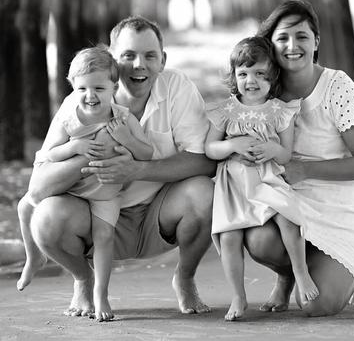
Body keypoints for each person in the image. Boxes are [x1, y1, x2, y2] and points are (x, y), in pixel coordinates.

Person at [26, 16, 216, 319]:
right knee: (45, 219)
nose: (138, 64)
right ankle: (83, 279)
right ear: (111, 59)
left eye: (149, 55)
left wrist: (137, 170)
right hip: (93, 218)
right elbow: (37, 190)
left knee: (206, 194)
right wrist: (87, 152)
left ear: (163, 60)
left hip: (159, 216)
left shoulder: (177, 88)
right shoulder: (83, 100)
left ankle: (185, 277)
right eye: (128, 55)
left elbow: (205, 162)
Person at [244, 0, 354, 316]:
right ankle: (287, 275)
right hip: (291, 207)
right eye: (283, 38)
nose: (293, 46)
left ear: (316, 41)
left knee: (315, 306)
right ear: (271, 44)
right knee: (259, 241)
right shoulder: (265, 91)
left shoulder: (337, 88)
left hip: (343, 208)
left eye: (302, 37)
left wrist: (304, 169)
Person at [17, 46, 154, 321]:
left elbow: (146, 154)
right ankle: (33, 258)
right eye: (82, 89)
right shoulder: (70, 118)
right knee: (25, 206)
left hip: (105, 193)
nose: (90, 96)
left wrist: (127, 139)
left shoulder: (123, 118)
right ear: (72, 88)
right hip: (73, 190)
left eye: (99, 89)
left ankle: (101, 294)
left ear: (114, 87)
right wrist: (75, 147)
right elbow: (50, 155)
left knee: (104, 237)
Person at [205, 36, 318, 321]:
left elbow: (285, 154)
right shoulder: (226, 110)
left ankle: (300, 273)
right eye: (242, 74)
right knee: (229, 237)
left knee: (288, 220)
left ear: (273, 76)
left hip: (268, 178)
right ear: (234, 76)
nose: (250, 81)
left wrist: (271, 149)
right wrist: (232, 146)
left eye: (259, 74)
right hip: (233, 185)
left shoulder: (280, 110)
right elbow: (211, 148)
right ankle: (238, 296)